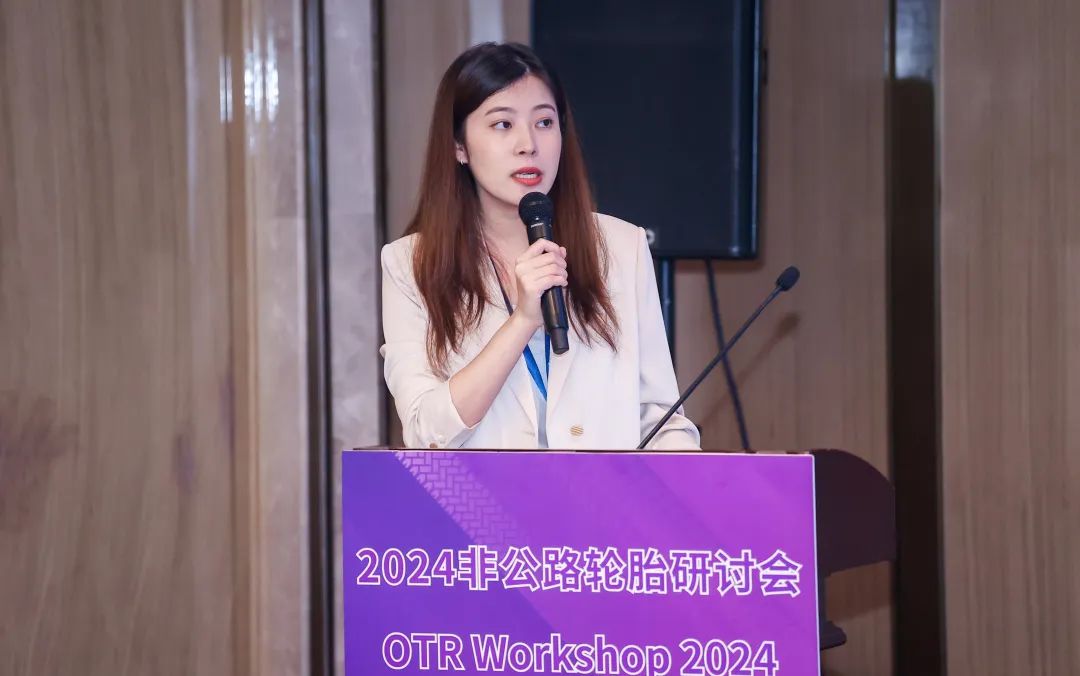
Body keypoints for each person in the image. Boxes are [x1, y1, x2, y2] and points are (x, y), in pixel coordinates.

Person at [380, 42, 699, 451]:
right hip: (484, 494)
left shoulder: (622, 248)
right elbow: (426, 433)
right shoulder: (411, 265)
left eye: (544, 122)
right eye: (502, 124)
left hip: (601, 492)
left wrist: (686, 474)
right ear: (459, 146)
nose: (528, 144)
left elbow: (660, 418)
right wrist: (523, 321)